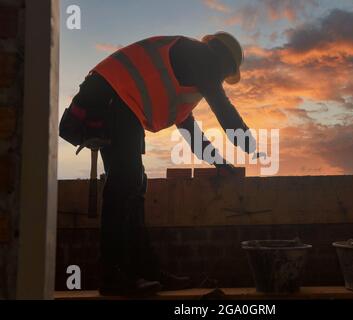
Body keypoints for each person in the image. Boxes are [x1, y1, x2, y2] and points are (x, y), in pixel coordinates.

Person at [59, 32, 257, 296]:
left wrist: (219, 163)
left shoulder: (189, 77)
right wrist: (250, 145)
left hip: (118, 104)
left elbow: (191, 133)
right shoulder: (202, 56)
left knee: (135, 184)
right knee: (125, 184)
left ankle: (145, 270)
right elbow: (223, 108)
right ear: (222, 60)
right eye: (224, 73)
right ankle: (112, 275)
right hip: (111, 98)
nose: (220, 79)